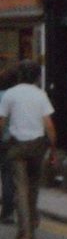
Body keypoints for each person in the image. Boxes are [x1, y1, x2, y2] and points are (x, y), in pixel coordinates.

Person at [0, 59, 57, 239]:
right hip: (37, 146)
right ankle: (32, 223)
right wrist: (53, 148)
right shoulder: (41, 94)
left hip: (16, 147)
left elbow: (1, 122)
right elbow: (48, 124)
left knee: (21, 189)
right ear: (37, 76)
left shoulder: (10, 94)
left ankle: (24, 233)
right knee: (33, 187)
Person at [0, 62, 19, 224]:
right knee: (17, 177)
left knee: (7, 176)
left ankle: (7, 212)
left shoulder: (3, 96)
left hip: (5, 142)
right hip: (23, 141)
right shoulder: (19, 96)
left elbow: (1, 121)